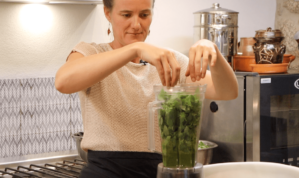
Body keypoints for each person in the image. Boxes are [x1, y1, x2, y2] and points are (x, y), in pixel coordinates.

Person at [55, 0, 238, 177]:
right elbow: (63, 82)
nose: (136, 24)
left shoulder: (169, 62)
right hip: (105, 171)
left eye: (144, 14)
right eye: (126, 14)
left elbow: (228, 91)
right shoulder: (91, 53)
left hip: (159, 170)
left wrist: (213, 50)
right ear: (107, 13)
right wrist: (135, 49)